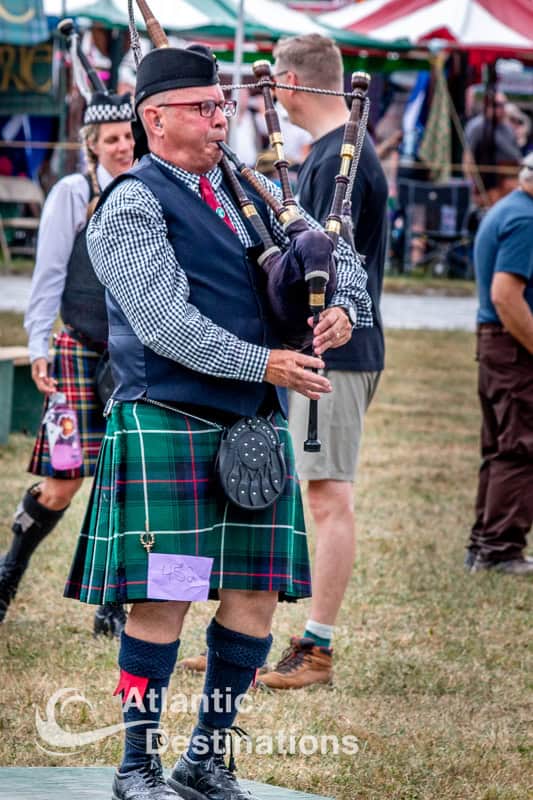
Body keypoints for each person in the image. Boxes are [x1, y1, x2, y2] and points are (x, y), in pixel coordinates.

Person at [64, 42, 371, 800]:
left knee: (255, 597)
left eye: (221, 105)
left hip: (250, 432)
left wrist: (339, 308)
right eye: (203, 108)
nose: (220, 118)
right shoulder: (131, 203)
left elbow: (345, 261)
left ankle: (205, 757)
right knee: (167, 594)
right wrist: (264, 365)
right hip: (171, 419)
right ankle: (135, 762)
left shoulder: (251, 189)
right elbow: (165, 324)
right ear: (154, 119)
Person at [247, 33, 387, 689]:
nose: (269, 89)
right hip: (314, 347)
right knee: (306, 488)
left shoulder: (345, 161)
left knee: (328, 494)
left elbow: (343, 274)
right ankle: (256, 636)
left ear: (294, 83)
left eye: (273, 77)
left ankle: (318, 648)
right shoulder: (324, 155)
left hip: (338, 347)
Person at [0, 91, 134, 634]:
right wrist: (38, 347)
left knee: (129, 482)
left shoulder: (150, 188)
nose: (123, 145)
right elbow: (49, 276)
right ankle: (8, 572)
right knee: (63, 482)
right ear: (92, 146)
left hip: (134, 356)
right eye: (112, 139)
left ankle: (116, 607)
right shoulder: (73, 193)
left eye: (128, 135)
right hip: (77, 351)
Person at [466, 153, 533, 576]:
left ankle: (486, 542)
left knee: (500, 449)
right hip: (512, 348)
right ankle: (500, 550)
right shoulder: (526, 220)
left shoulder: (509, 208)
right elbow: (506, 296)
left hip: (496, 345)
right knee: (520, 448)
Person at [463, 91, 522, 206]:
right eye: (498, 105)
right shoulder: (477, 127)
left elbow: (516, 156)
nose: (502, 109)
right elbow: (468, 159)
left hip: (511, 181)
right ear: (488, 106)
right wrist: (472, 186)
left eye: (503, 105)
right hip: (490, 185)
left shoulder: (508, 128)